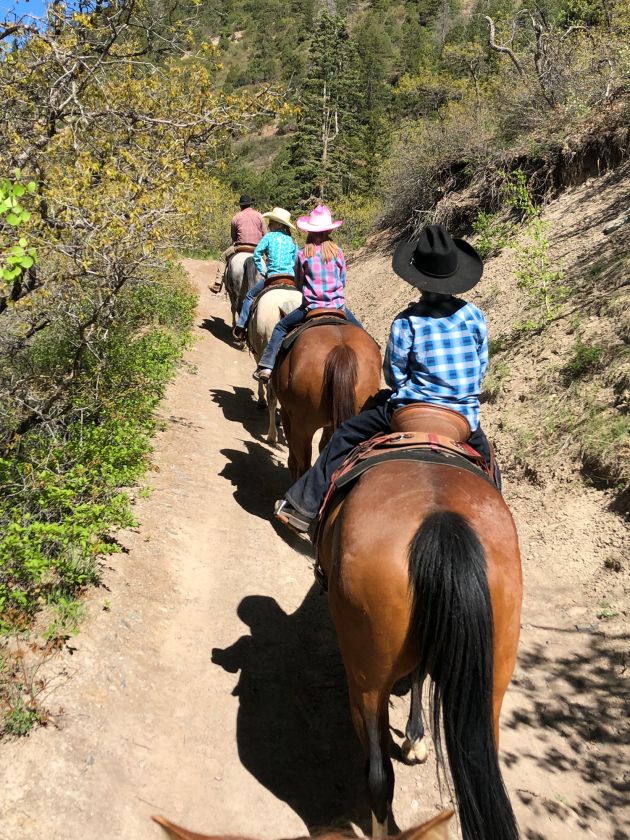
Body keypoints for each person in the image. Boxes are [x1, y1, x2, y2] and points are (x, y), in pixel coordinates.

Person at [274, 223, 498, 535]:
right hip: (462, 416)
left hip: (411, 410)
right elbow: (481, 364)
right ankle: (495, 515)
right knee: (489, 465)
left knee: (344, 436)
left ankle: (302, 506)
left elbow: (394, 375)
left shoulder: (407, 321)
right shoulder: (474, 315)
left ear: (417, 280)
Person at [253, 205, 361, 382]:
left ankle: (267, 365)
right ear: (329, 231)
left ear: (309, 231)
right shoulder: (338, 252)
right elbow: (342, 282)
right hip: (338, 307)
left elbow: (298, 283)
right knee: (362, 334)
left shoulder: (303, 254)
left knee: (280, 327)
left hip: (311, 308)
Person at [232, 207, 298, 342]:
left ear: (279, 224)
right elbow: (295, 261)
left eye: (272, 222)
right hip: (290, 278)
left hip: (273, 277)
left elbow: (257, 255)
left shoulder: (268, 237)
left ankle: (241, 325)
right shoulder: (292, 241)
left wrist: (263, 271)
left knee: (250, 296)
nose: (269, 224)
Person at [210, 195, 267, 294]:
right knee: (268, 261)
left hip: (240, 247)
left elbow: (234, 237)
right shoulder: (259, 216)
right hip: (256, 248)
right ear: (250, 204)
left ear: (241, 206)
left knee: (223, 258)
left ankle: (217, 284)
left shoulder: (236, 217)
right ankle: (271, 284)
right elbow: (265, 235)